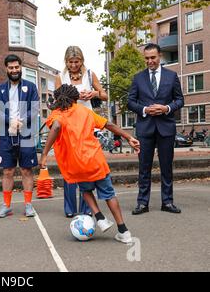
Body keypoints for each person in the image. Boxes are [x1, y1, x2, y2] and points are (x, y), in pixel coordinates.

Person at [39, 84, 140, 243]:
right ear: (75, 98)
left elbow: (57, 126)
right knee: (109, 195)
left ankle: (99, 217)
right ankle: (123, 231)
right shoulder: (85, 111)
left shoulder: (56, 114)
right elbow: (109, 125)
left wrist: (44, 154)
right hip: (95, 161)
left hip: (76, 165)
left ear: (58, 99)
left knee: (85, 191)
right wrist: (129, 137)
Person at [128, 43, 184, 215]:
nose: (150, 61)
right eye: (147, 58)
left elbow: (180, 100)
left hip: (166, 128)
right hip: (145, 129)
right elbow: (130, 102)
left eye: (153, 57)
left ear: (160, 56)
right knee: (144, 168)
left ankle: (167, 202)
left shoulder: (172, 76)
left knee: (166, 167)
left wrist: (166, 108)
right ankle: (142, 203)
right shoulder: (138, 78)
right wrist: (145, 110)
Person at [54, 46, 108, 218]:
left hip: (86, 122)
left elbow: (105, 95)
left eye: (77, 62)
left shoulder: (90, 74)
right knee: (70, 165)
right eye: (70, 62)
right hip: (68, 123)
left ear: (82, 61)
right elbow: (57, 100)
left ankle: (87, 208)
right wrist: (73, 97)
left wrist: (93, 93)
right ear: (66, 62)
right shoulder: (60, 77)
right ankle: (70, 207)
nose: (74, 65)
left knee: (86, 164)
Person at [0, 54, 39, 218]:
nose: (14, 70)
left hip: (25, 134)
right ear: (6, 68)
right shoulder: (0, 89)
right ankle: (6, 205)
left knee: (27, 170)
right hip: (7, 135)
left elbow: (34, 109)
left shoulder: (31, 87)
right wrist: (10, 122)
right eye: (11, 67)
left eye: (17, 67)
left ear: (21, 68)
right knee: (7, 171)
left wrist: (21, 121)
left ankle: (28, 205)